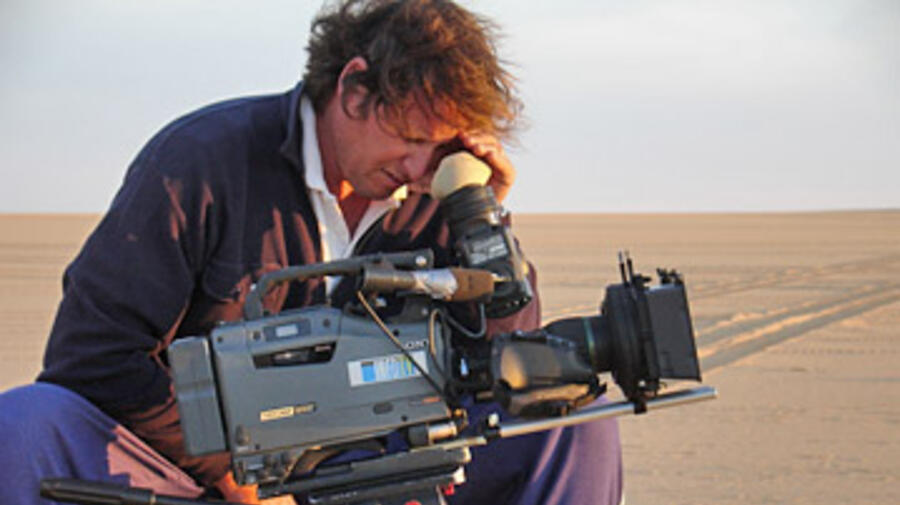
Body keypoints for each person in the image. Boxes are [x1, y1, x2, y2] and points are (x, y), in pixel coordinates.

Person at [0, 1, 622, 504]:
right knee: (28, 423)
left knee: (576, 419)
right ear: (352, 89)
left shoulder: (437, 194)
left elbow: (506, 361)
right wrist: (238, 477)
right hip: (205, 474)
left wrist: (481, 221)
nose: (418, 169)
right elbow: (93, 355)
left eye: (439, 151)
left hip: (389, 463)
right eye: (409, 138)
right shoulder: (200, 162)